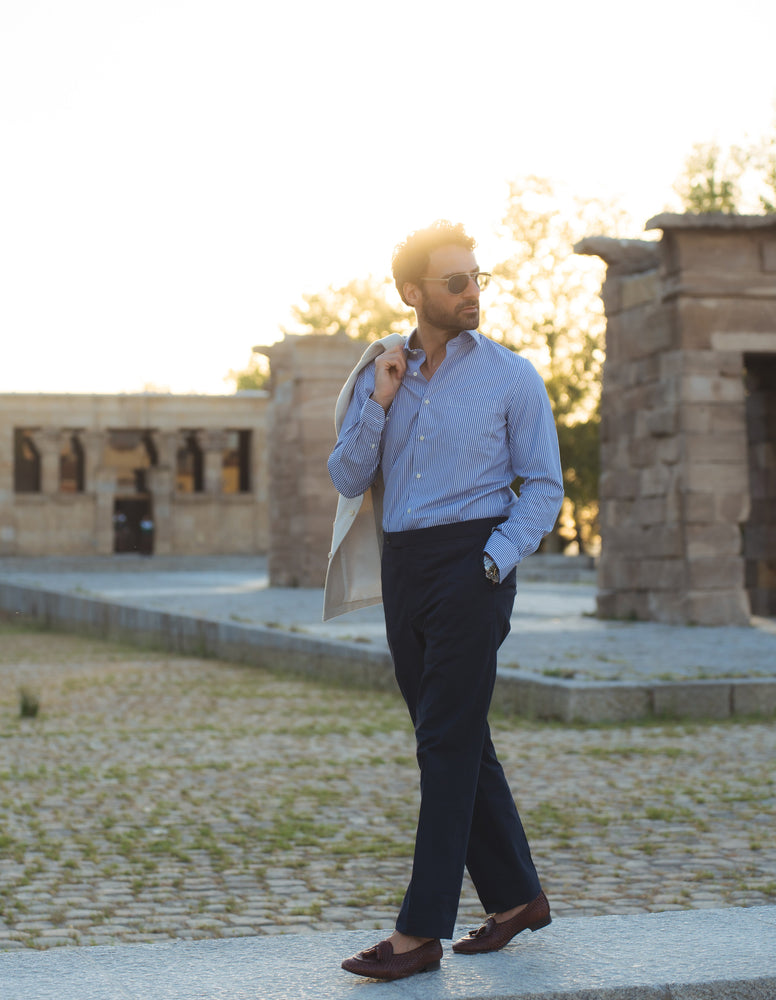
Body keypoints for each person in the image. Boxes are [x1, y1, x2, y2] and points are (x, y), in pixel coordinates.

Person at [326, 220, 564, 982]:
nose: (472, 293)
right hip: (405, 567)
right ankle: (519, 897)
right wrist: (380, 401)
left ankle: (419, 932)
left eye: (477, 279)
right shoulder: (380, 373)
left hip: (473, 566)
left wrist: (493, 562)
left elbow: (545, 487)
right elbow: (346, 474)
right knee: (455, 734)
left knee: (443, 742)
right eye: (455, 282)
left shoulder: (511, 377)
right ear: (413, 293)